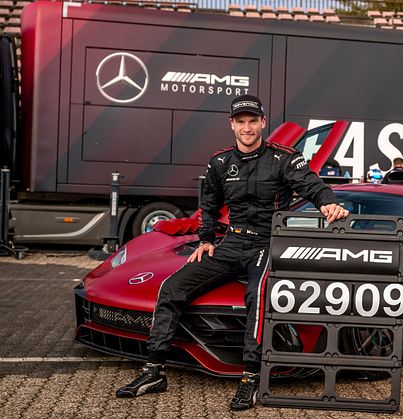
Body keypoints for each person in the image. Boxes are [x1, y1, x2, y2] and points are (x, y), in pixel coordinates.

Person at [115, 95, 349, 410]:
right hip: (231, 243)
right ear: (232, 125)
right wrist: (207, 238)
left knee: (257, 295)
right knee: (171, 288)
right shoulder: (220, 162)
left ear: (263, 123)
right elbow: (208, 203)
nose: (247, 127)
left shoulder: (285, 158)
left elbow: (312, 185)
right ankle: (154, 370)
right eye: (241, 122)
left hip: (268, 243)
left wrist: (327, 202)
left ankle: (250, 377)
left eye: (253, 121)